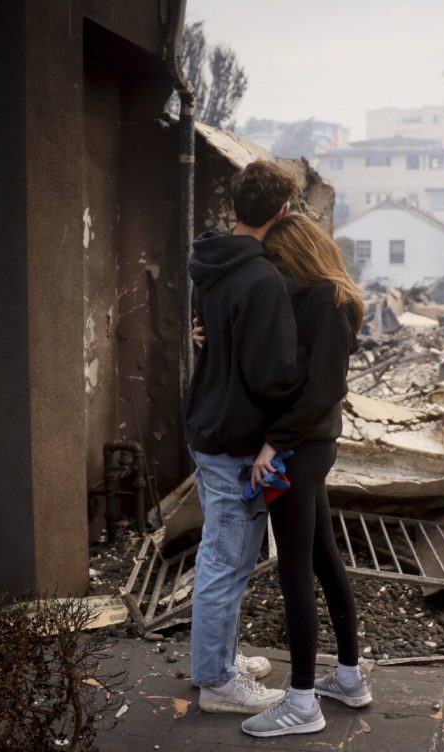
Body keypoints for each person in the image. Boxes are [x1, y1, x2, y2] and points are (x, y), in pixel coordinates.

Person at [239, 212, 372, 739]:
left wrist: (275, 443)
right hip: (312, 447)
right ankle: (348, 677)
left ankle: (300, 701)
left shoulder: (324, 301)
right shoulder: (319, 297)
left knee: (293, 567)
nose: (269, 266)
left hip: (299, 449)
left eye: (273, 256)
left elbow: (322, 390)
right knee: (321, 555)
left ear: (292, 253)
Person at [185, 159, 302, 714]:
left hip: (207, 428)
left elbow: (209, 336)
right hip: (236, 442)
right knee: (225, 561)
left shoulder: (208, 260)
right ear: (282, 213)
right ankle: (216, 681)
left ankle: (221, 657)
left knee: (222, 555)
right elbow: (274, 376)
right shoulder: (262, 280)